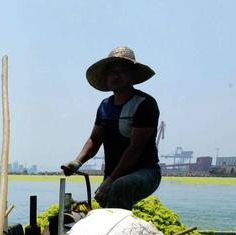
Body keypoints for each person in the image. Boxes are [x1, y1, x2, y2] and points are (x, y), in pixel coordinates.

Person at [61, 47, 161, 209]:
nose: (116, 76)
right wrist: (77, 161)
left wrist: (111, 181)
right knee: (107, 208)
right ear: (106, 77)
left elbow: (135, 148)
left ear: (132, 74)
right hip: (113, 174)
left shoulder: (144, 104)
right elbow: (95, 139)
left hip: (145, 172)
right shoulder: (105, 106)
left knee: (120, 187)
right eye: (112, 72)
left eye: (122, 71)